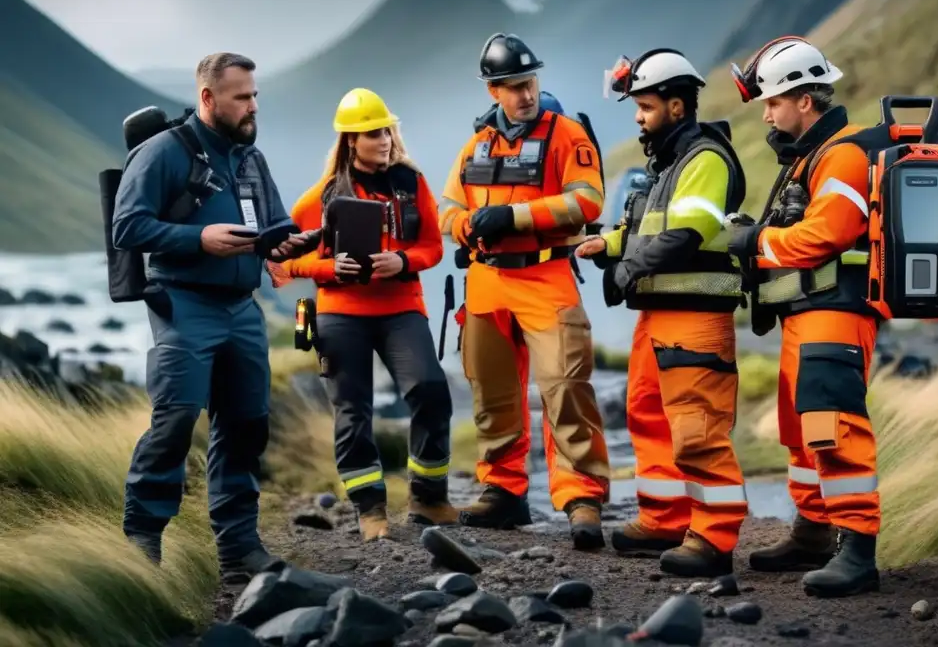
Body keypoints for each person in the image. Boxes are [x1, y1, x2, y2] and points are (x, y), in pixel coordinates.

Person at [112, 52, 312, 582]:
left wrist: (286, 240)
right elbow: (127, 228)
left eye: (254, 96)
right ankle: (141, 548)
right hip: (183, 302)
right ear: (208, 98)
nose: (252, 107)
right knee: (176, 418)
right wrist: (198, 238)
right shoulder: (161, 154)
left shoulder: (251, 158)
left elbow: (274, 219)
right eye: (241, 97)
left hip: (242, 308)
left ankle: (239, 552)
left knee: (247, 425)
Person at [576, 49, 749, 577]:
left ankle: (714, 537)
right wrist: (606, 246)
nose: (638, 116)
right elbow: (647, 230)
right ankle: (664, 518)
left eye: (646, 106)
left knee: (696, 426)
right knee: (648, 416)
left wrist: (628, 268)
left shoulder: (705, 159)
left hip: (694, 315)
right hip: (659, 314)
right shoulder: (670, 164)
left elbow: (684, 235)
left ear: (676, 105)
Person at [438, 32, 611, 550]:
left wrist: (512, 216)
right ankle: (503, 492)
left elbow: (587, 201)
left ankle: (582, 499)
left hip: (545, 274)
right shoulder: (475, 145)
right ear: (494, 91)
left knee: (566, 386)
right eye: (512, 87)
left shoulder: (566, 135)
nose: (524, 94)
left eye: (529, 82)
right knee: (492, 392)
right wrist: (469, 225)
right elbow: (447, 209)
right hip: (487, 280)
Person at [724, 36, 881, 597]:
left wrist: (756, 240)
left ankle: (858, 550)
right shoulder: (809, 158)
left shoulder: (842, 154)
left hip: (835, 311)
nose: (766, 114)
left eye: (772, 102)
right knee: (799, 429)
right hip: (806, 313)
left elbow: (827, 233)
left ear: (803, 100)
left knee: (832, 428)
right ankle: (813, 532)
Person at [267, 88, 457, 542]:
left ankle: (428, 498)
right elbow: (278, 265)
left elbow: (432, 245)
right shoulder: (320, 198)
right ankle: (370, 510)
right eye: (374, 133)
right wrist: (327, 268)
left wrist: (404, 261)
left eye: (387, 131)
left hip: (402, 310)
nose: (385, 140)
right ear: (351, 140)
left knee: (431, 390)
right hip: (340, 315)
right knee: (353, 411)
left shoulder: (412, 184)